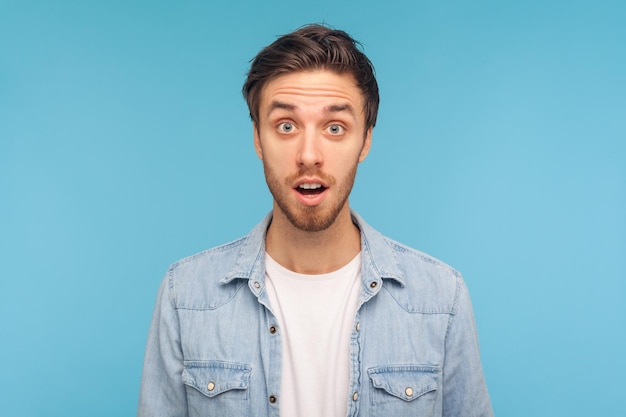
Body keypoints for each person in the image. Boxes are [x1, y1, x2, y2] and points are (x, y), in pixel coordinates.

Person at [137, 24, 493, 417]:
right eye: (286, 126)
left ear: (366, 140)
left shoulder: (441, 298)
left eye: (335, 128)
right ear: (258, 138)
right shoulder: (184, 296)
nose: (309, 155)